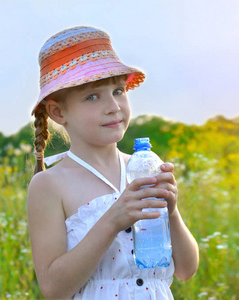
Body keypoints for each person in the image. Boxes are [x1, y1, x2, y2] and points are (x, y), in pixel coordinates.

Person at [27, 26, 199, 299]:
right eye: (92, 96)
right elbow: (53, 289)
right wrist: (112, 221)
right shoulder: (49, 184)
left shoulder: (145, 168)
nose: (113, 106)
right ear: (59, 112)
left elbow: (186, 270)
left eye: (118, 91)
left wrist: (172, 212)